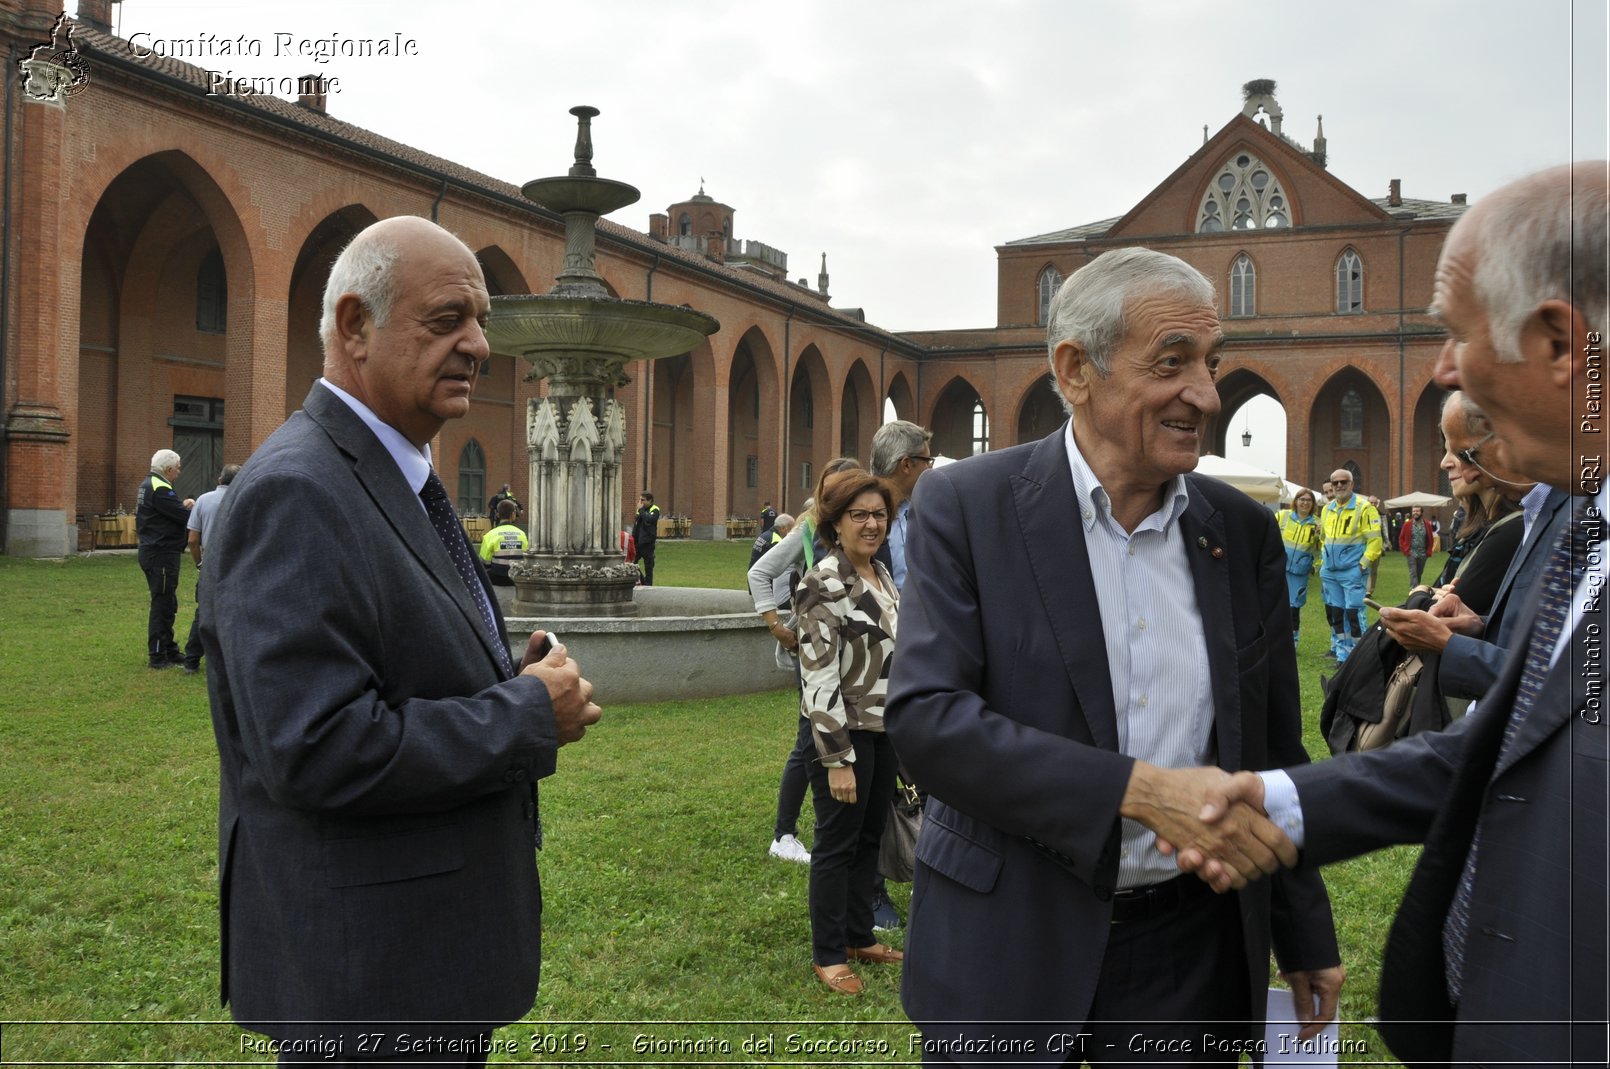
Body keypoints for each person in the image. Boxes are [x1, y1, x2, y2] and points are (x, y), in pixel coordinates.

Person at [1185, 161, 1608, 1068]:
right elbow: (1504, 740)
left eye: (1456, 335)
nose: (1446, 371)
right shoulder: (1581, 523)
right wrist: (1281, 800)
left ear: (1561, 341)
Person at [885, 246, 1342, 1061]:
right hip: (1008, 938)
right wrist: (1137, 792)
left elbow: (1271, 750)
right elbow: (930, 721)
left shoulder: (1240, 533)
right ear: (1076, 369)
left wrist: (1301, 925)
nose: (1206, 393)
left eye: (1210, 362)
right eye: (1173, 363)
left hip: (1187, 955)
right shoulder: (968, 505)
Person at [196, 215, 602, 1066]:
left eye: (481, 321)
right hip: (368, 981)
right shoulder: (298, 492)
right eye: (447, 319)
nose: (479, 345)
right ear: (354, 326)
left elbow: (394, 665)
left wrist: (505, 677)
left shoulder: (389, 474)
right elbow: (319, 745)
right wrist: (525, 715)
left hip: (417, 956)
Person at [796, 468, 903, 995]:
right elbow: (817, 677)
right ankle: (829, 952)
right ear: (835, 524)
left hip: (885, 729)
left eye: (879, 514)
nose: (870, 524)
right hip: (843, 732)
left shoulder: (882, 576)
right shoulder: (822, 583)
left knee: (870, 837)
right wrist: (838, 758)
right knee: (837, 843)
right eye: (858, 515)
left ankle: (860, 934)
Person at [748, 458, 863, 864]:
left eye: (845, 488)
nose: (836, 497)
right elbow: (762, 573)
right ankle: (784, 834)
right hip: (815, 647)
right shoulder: (809, 527)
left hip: (854, 651)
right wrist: (777, 624)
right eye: (829, 490)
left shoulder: (860, 524)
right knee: (807, 738)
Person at [136, 448, 194, 670]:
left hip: (155, 550)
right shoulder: (160, 487)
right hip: (161, 552)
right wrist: (189, 507)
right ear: (168, 469)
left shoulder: (148, 483)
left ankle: (169, 649)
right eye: (178, 469)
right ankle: (158, 655)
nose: (179, 473)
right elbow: (182, 516)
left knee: (169, 602)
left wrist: (181, 505)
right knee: (162, 604)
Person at [181, 463, 239, 675]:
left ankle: (191, 660)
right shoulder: (242, 498)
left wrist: (199, 563)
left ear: (219, 480)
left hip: (210, 564)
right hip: (235, 564)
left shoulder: (203, 500)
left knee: (203, 612)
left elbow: (193, 540)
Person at [1318, 469, 1382, 660]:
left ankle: (1357, 657)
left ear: (1352, 484)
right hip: (1330, 572)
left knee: (1353, 615)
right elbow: (1324, 538)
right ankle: (1342, 656)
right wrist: (1324, 562)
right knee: (1337, 615)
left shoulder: (1364, 508)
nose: (1339, 485)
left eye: (1343, 482)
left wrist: (1363, 564)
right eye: (1335, 482)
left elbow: (1375, 541)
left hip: (1352, 571)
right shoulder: (1326, 509)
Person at [868, 419, 934, 592]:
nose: (930, 469)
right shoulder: (852, 513)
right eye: (927, 461)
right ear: (906, 465)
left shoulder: (921, 511)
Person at [1277, 488, 1321, 643]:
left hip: (1300, 573)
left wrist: (1317, 565)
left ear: (1313, 504)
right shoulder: (1283, 516)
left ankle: (1292, 642)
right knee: (1275, 605)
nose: (1305, 503)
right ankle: (1275, 638)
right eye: (1302, 499)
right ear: (1295, 501)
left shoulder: (1317, 523)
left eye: (1308, 500)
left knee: (1293, 609)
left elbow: (1325, 547)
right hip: (1279, 568)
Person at [478, 499, 528, 586]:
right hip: (517, 579)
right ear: (513, 515)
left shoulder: (490, 535)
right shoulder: (522, 534)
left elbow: (485, 562)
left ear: (497, 515)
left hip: (497, 579)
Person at [1397, 505, 1434, 588]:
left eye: (1417, 511)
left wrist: (1429, 550)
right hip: (1411, 553)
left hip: (1423, 553)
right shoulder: (1407, 524)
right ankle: (1413, 591)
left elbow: (1430, 538)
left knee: (1419, 573)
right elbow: (1401, 538)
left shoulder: (1427, 524)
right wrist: (1405, 550)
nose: (1415, 513)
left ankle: (1417, 589)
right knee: (1413, 573)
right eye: (1413, 511)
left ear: (1421, 512)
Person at [632, 491, 660, 585]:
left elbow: (649, 520)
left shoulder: (654, 509)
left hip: (648, 543)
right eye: (640, 499)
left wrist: (641, 510)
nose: (641, 502)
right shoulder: (641, 510)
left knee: (649, 567)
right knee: (632, 564)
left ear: (650, 500)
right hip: (638, 542)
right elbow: (636, 525)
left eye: (643, 500)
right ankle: (643, 581)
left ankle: (648, 586)